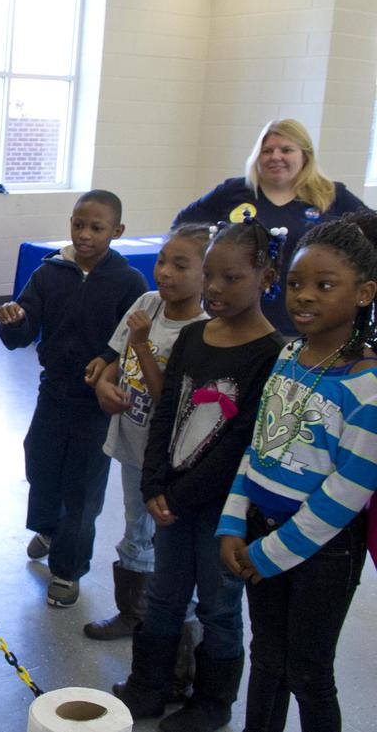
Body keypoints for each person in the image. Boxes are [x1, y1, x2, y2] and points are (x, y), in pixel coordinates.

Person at [114, 219, 284, 732]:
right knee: (164, 596)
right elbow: (167, 413)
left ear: (265, 275)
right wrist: (153, 484)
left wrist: (181, 496)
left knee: (218, 607)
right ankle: (149, 686)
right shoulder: (191, 336)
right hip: (172, 501)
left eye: (230, 279)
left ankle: (212, 703)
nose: (213, 289)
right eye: (209, 275)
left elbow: (240, 442)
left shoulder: (271, 355)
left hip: (222, 511)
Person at [218, 213, 377, 732]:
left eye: (325, 286)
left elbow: (349, 491)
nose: (304, 296)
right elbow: (259, 449)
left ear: (364, 293)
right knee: (266, 659)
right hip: (259, 532)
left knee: (308, 671)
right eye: (295, 284)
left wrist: (272, 553)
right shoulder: (289, 355)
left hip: (323, 551)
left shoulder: (366, 384)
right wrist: (234, 522)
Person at [0, 190, 147, 607]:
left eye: (96, 228)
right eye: (78, 225)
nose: (84, 235)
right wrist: (13, 320)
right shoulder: (50, 273)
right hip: (53, 391)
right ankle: (48, 527)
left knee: (82, 488)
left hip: (96, 404)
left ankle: (67, 569)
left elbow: (131, 344)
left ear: (116, 232)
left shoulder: (128, 281)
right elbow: (22, 334)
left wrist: (107, 361)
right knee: (40, 462)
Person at [85, 225, 210, 640]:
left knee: (170, 544)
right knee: (135, 530)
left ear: (206, 274)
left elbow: (167, 397)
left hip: (171, 458)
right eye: (162, 261)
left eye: (180, 265)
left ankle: (176, 630)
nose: (165, 272)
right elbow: (113, 361)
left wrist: (141, 344)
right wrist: (104, 384)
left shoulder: (203, 329)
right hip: (134, 443)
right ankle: (132, 613)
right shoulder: (147, 304)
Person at [174, 119, 369, 336]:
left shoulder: (331, 194)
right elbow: (183, 226)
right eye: (267, 151)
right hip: (233, 317)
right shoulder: (234, 191)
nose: (276, 157)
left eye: (286, 150)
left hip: (303, 319)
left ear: (305, 155)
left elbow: (371, 232)